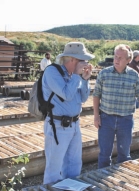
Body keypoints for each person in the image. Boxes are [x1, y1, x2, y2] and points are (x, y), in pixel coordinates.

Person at [42, 42, 94, 184]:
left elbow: (83, 98)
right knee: (54, 169)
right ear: (72, 60)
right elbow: (66, 94)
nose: (86, 63)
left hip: (74, 125)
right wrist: (77, 76)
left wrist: (84, 79)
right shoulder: (52, 72)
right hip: (57, 126)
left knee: (74, 166)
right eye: (83, 60)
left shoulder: (75, 75)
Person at [93, 44, 139, 169]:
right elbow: (96, 95)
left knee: (124, 155)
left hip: (125, 120)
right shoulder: (104, 74)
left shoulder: (134, 76)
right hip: (106, 119)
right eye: (115, 56)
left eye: (120, 57)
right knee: (104, 155)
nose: (116, 60)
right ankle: (101, 184)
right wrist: (96, 116)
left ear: (128, 60)